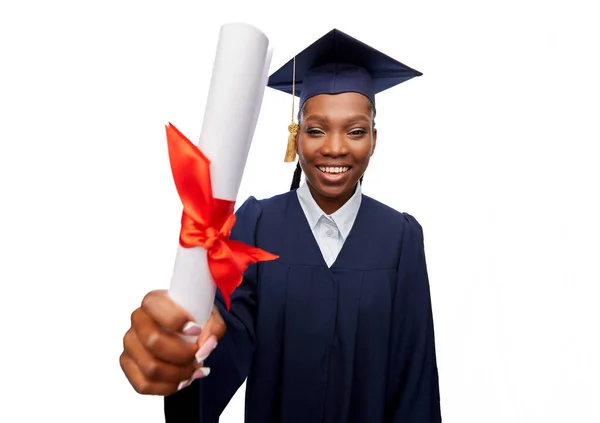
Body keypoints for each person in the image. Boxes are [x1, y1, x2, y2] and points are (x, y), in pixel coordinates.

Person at [120, 28, 442, 423]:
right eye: (316, 129)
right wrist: (185, 349)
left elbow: (415, 381)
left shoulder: (401, 238)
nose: (335, 147)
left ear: (374, 139)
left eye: (355, 131)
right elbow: (222, 342)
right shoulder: (257, 224)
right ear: (296, 134)